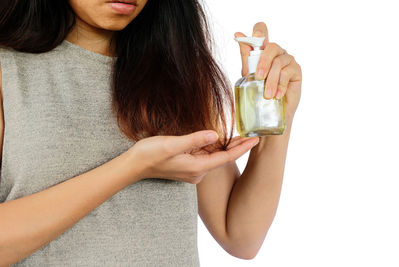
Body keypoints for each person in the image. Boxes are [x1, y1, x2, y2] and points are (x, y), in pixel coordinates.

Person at [0, 0, 302, 266]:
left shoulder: (177, 72)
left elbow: (240, 235)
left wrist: (277, 115)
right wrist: (134, 166)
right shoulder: (8, 70)